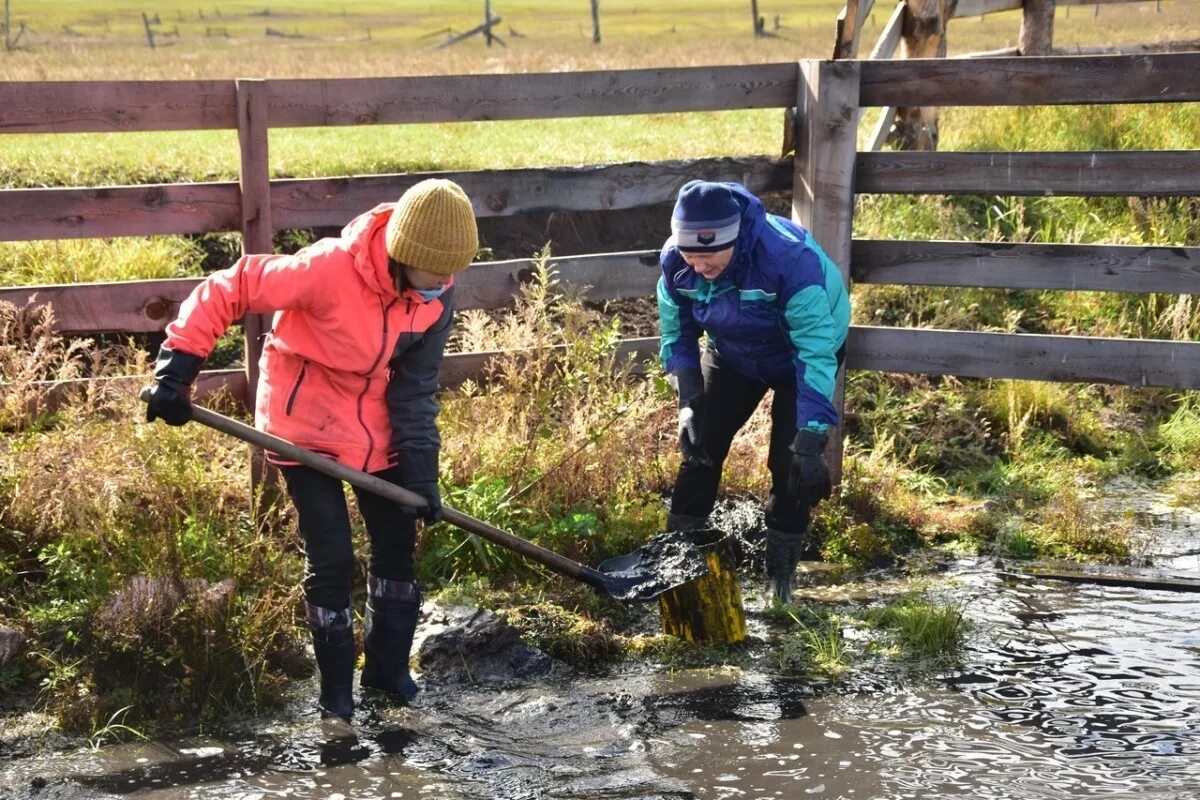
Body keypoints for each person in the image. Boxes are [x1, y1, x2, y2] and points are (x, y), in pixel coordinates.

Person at [144, 178, 479, 720]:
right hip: (302, 423)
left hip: (373, 422)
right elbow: (232, 285)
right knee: (332, 555)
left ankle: (388, 677)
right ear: (401, 255)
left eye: (450, 273)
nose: (444, 282)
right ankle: (336, 698)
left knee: (397, 545)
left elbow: (415, 389)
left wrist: (421, 476)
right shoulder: (329, 269)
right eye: (434, 272)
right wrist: (178, 366)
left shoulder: (435, 299)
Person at [656, 180, 850, 604]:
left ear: (736, 238)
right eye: (691, 255)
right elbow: (678, 332)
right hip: (734, 353)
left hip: (801, 355)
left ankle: (781, 585)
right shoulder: (676, 262)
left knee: (791, 465)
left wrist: (813, 436)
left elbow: (816, 350)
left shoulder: (788, 261)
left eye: (710, 257)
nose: (700, 267)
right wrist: (688, 403)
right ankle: (677, 570)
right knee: (700, 446)